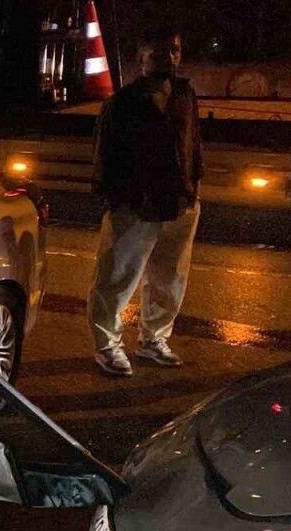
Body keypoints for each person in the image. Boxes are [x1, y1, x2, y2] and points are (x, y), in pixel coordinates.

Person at [87, 28, 203, 377]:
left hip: (179, 202)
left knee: (169, 278)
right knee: (117, 278)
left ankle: (153, 340)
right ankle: (107, 345)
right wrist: (117, 201)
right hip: (136, 204)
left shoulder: (185, 94)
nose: (169, 57)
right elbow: (105, 156)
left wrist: (194, 189)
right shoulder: (122, 102)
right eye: (158, 52)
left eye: (174, 50)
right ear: (141, 58)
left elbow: (193, 143)